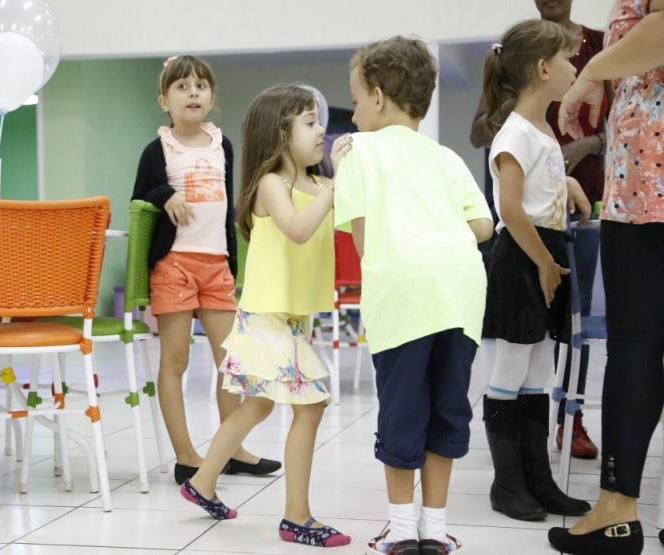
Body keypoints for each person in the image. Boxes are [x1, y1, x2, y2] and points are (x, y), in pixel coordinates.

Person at [334, 36, 494, 554]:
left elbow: (363, 242)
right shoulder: (446, 157)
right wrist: (437, 236)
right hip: (461, 292)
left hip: (403, 292)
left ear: (378, 97)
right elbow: (483, 226)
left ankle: (401, 532)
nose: (355, 116)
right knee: (448, 409)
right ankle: (435, 527)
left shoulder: (359, 152)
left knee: (403, 411)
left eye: (357, 102)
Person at [180, 84, 352, 548]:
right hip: (265, 318)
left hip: (290, 318)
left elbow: (339, 224)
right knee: (311, 406)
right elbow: (297, 230)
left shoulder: (316, 184)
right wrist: (334, 189)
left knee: (256, 404)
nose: (323, 131)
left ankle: (201, 483)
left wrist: (340, 180)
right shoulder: (271, 185)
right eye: (311, 123)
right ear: (280, 133)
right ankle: (297, 517)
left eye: (320, 122)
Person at [131, 55, 279, 486]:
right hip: (175, 265)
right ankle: (185, 455)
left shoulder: (223, 145)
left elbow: (229, 207)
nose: (192, 92)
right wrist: (164, 194)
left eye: (200, 86)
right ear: (164, 100)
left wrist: (235, 265)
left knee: (231, 363)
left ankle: (230, 449)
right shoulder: (157, 149)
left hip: (216, 265)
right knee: (174, 361)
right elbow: (140, 196)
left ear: (212, 98)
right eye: (181, 86)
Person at [548, 1, 664, 553]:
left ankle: (616, 511)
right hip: (644, 175)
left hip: (651, 181)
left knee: (636, 343)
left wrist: (592, 72)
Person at [472, 1, 608, 460]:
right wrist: (546, 264)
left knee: (537, 372)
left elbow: (532, 183)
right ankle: (509, 483)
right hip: (524, 258)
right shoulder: (514, 132)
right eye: (569, 60)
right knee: (511, 369)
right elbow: (509, 209)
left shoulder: (541, 128)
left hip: (541, 253)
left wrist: (565, 180)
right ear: (543, 68)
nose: (576, 68)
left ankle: (537, 478)